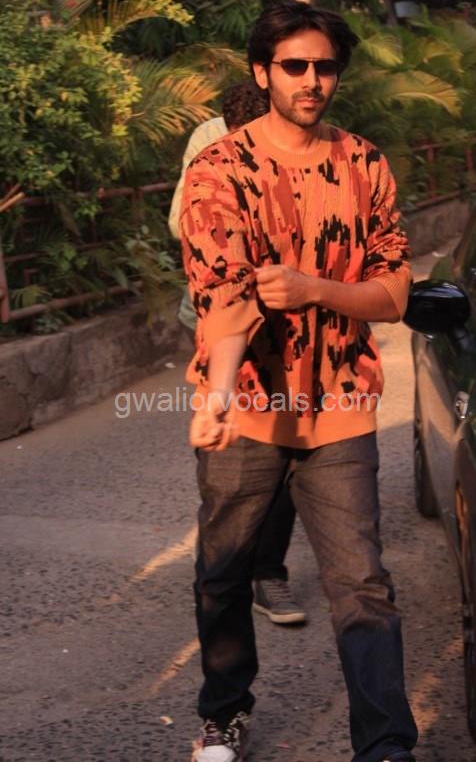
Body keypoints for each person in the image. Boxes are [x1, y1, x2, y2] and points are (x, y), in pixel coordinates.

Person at [180, 0, 418, 762]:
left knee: (362, 587)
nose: (311, 81)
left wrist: (316, 289)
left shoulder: (364, 163)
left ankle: (385, 745)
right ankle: (224, 713)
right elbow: (223, 292)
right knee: (223, 575)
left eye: (325, 67)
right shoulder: (221, 168)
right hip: (248, 408)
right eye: (294, 67)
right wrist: (219, 393)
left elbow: (392, 292)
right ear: (262, 73)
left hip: (339, 406)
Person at [170, 81, 305, 626]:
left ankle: (268, 574)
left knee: (287, 447)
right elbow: (180, 220)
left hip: (292, 323)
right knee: (227, 455)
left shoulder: (306, 139)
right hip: (214, 315)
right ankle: (224, 570)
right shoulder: (208, 140)